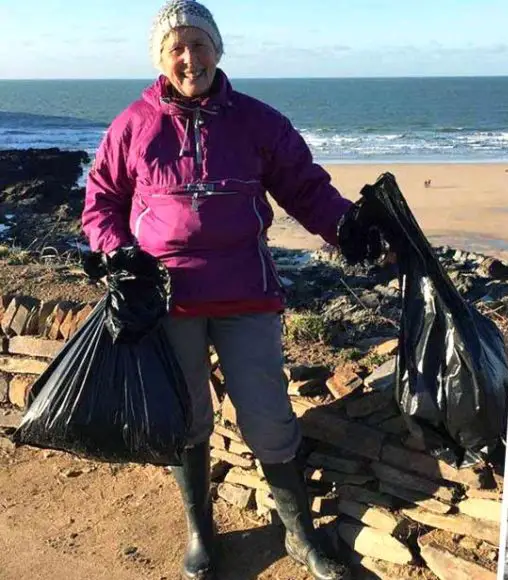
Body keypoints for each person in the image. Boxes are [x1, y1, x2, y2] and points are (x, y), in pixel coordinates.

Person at [81, 2, 387, 579]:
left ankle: (299, 535)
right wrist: (116, 253)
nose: (189, 57)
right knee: (187, 415)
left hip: (247, 290)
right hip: (167, 298)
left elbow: (305, 186)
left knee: (268, 415)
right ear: (161, 57)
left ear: (217, 50)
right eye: (177, 47)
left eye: (199, 44)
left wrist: (346, 227)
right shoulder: (133, 124)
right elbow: (101, 202)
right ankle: (201, 532)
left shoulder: (258, 120)